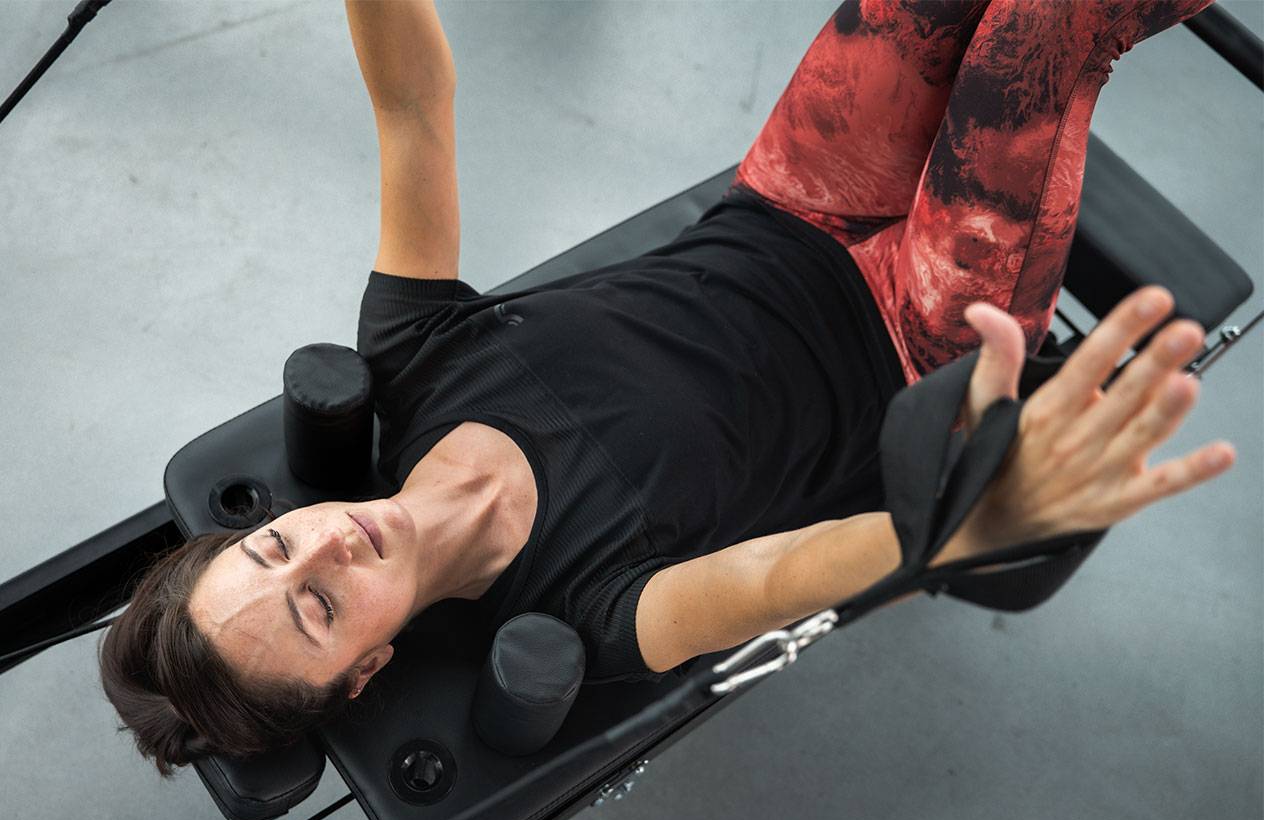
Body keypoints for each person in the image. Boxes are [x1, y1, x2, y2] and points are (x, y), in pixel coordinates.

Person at [100, 0, 1234, 777]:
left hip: (796, 195)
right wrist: (964, 527)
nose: (325, 549)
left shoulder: (410, 359)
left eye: (272, 551)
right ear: (364, 673)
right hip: (919, 330)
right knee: (1047, 22)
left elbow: (412, 110)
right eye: (315, 607)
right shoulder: (590, 615)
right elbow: (778, 573)